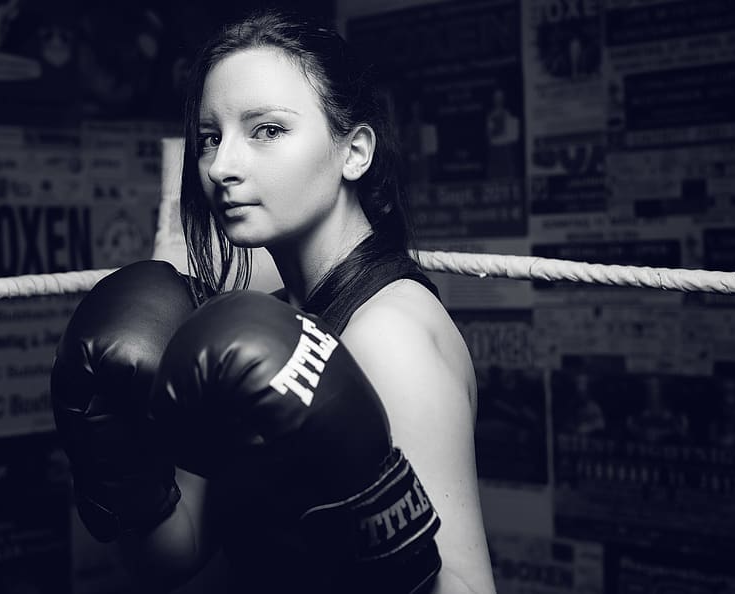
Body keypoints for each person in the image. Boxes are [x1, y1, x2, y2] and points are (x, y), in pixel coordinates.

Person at [52, 8, 495, 594]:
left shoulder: (386, 334)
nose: (221, 167)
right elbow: (174, 556)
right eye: (211, 137)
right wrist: (120, 460)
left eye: (267, 130)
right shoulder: (270, 324)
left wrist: (382, 520)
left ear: (354, 151)